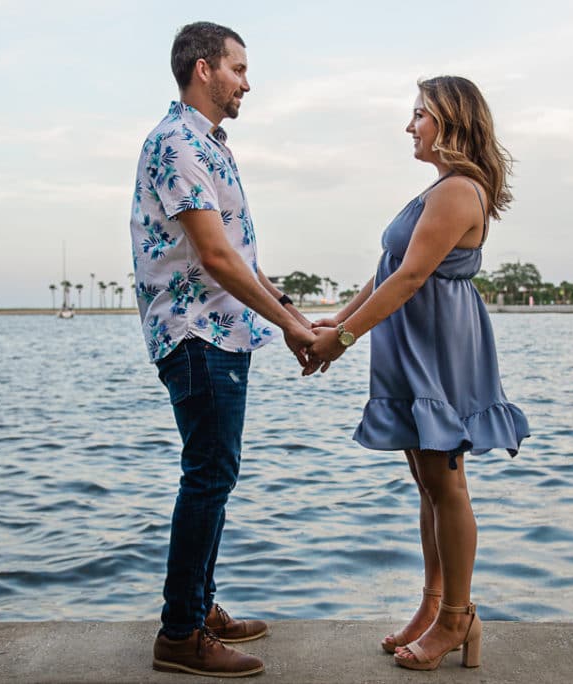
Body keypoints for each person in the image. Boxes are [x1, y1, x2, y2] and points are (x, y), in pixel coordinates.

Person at [307, 76, 530, 671]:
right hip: (412, 342)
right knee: (428, 481)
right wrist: (342, 317)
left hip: (439, 346)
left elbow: (409, 280)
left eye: (420, 116)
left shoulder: (459, 190)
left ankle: (459, 618)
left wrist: (343, 341)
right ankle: (435, 605)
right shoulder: (438, 189)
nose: (410, 126)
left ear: (450, 122)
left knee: (446, 482)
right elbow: (391, 270)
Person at [129, 21, 316, 678]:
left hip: (221, 332)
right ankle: (179, 634)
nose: (246, 81)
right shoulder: (176, 144)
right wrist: (292, 329)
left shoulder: (207, 145)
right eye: (238, 67)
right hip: (196, 333)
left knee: (215, 473)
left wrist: (290, 316)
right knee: (208, 476)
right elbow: (212, 257)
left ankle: (198, 606)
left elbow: (236, 255)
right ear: (204, 68)